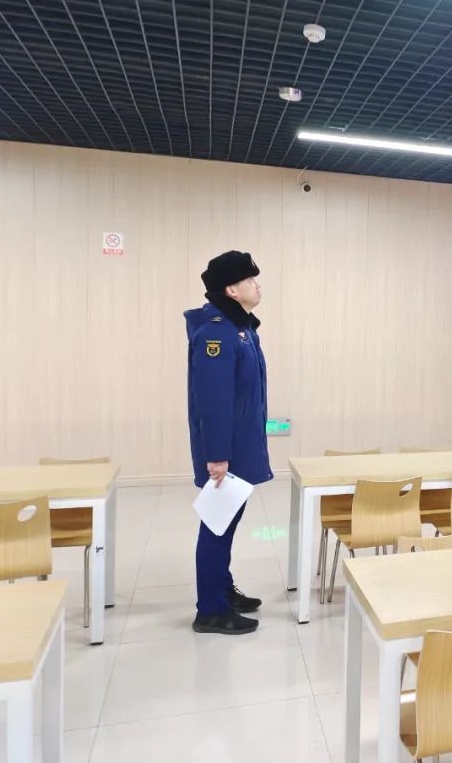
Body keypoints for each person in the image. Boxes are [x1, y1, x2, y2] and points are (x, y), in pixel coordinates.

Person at [185, 250, 273, 635]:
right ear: (232, 290)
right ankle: (211, 610)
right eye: (250, 280)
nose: (257, 285)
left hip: (241, 445)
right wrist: (217, 455)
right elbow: (214, 399)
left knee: (226, 524)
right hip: (227, 452)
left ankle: (221, 589)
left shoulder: (241, 329)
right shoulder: (216, 332)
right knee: (216, 527)